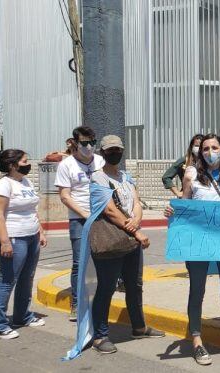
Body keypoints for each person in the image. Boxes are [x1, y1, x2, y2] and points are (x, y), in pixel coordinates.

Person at [165, 133, 220, 366]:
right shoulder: (192, 174)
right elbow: (185, 206)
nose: (209, 152)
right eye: (205, 148)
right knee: (197, 291)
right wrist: (173, 212)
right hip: (199, 242)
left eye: (214, 147)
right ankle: (197, 342)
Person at [87, 135, 165, 353]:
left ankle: (139, 326)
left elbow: (136, 202)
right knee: (106, 288)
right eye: (110, 150)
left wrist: (137, 219)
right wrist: (136, 231)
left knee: (134, 285)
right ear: (102, 153)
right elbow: (110, 211)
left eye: (118, 149)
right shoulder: (97, 179)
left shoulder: (125, 176)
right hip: (111, 239)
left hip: (130, 238)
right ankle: (100, 336)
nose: (115, 153)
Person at [54, 126, 106, 321]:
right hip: (79, 219)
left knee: (104, 258)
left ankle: (99, 299)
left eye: (92, 142)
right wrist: (86, 214)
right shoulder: (66, 165)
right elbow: (65, 197)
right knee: (79, 263)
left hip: (102, 217)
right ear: (75, 143)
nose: (89, 147)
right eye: (84, 143)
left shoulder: (100, 161)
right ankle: (76, 303)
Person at [0, 149, 47, 340]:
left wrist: (40, 231)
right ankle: (0, 324)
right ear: (12, 165)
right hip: (14, 237)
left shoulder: (26, 182)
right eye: (25, 161)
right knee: (8, 280)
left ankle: (22, 316)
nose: (28, 164)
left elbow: (32, 209)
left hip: (31, 235)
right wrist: (5, 242)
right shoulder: (3, 185)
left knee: (27, 277)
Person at [162, 134, 203, 198]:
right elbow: (166, 177)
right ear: (191, 146)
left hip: (203, 197)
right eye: (196, 146)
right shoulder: (184, 160)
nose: (198, 149)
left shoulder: (208, 162)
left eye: (201, 147)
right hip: (187, 197)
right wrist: (177, 192)